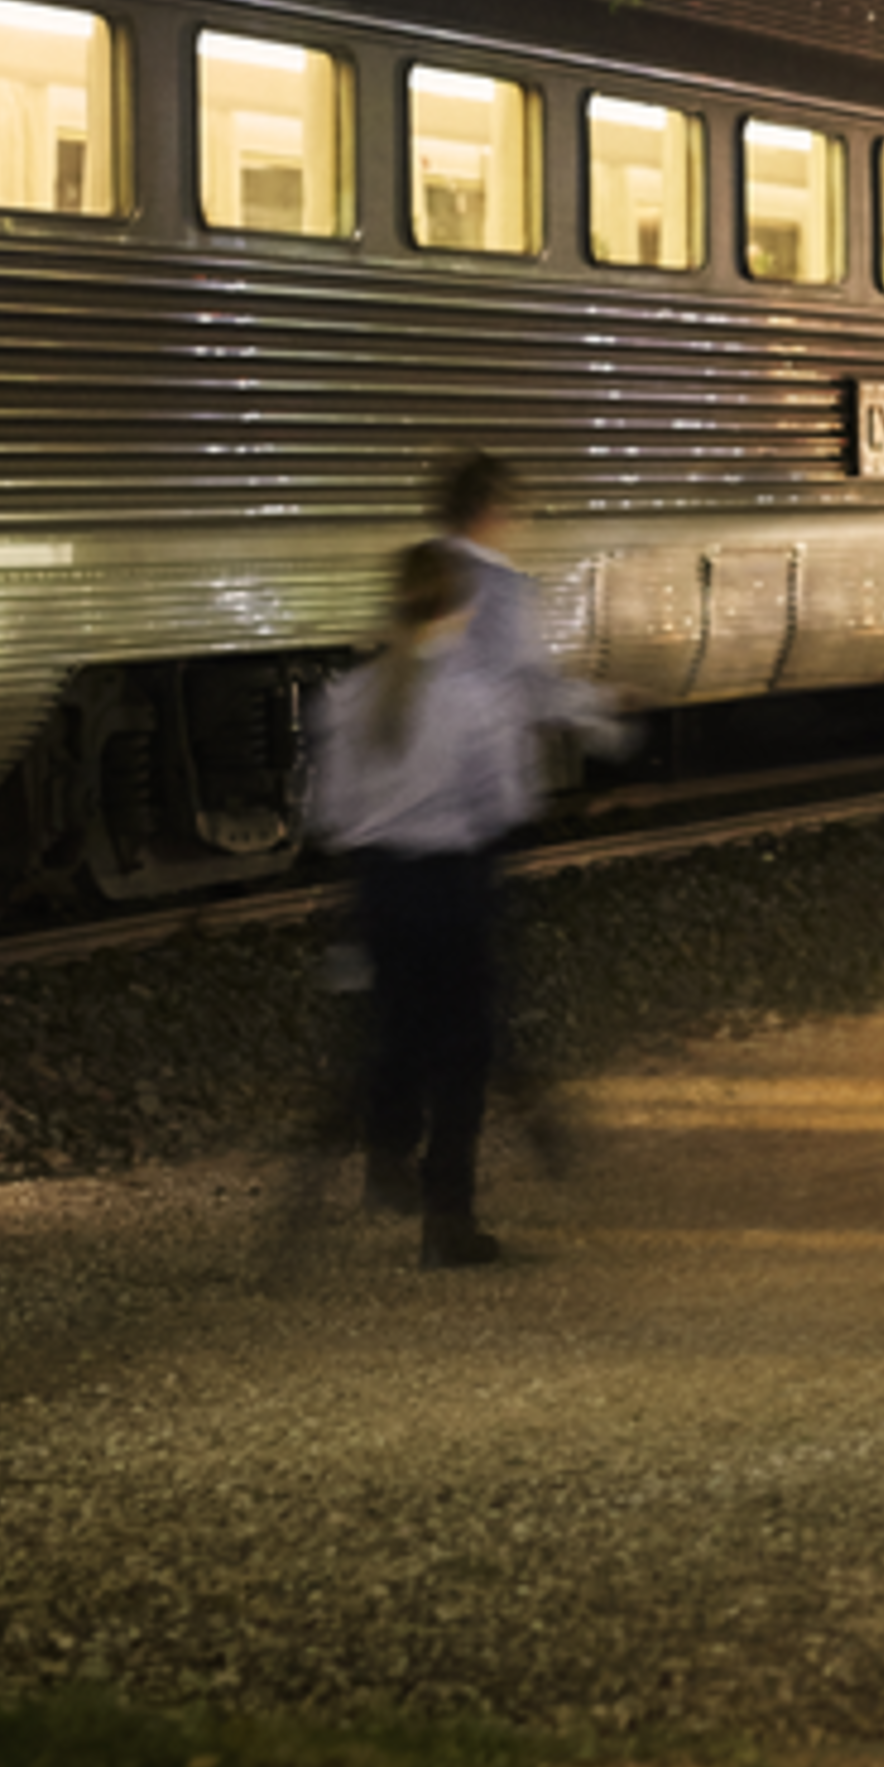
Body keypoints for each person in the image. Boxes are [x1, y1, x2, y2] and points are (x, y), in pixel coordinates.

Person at [306, 542, 544, 1268]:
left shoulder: (345, 697)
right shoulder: (477, 700)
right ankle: (449, 1221)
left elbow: (329, 812)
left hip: (378, 887)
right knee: (462, 1053)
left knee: (397, 1032)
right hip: (452, 886)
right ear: (461, 609)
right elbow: (506, 803)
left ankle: (385, 1157)